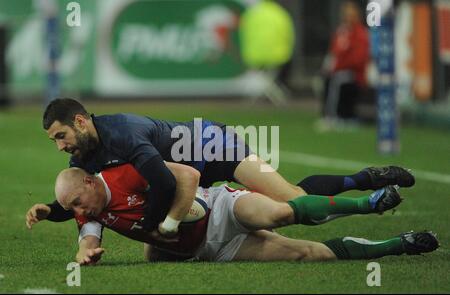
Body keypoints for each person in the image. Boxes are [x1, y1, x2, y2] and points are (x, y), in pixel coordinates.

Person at [27, 98, 415, 235]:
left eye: (62, 136)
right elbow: (86, 196)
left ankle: (368, 179)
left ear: (80, 122)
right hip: (190, 165)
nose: (62, 147)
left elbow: (162, 182)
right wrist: (52, 210)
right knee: (291, 201)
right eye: (55, 142)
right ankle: (367, 181)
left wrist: (154, 224)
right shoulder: (84, 156)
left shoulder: (124, 134)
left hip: (213, 147)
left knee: (295, 202)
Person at [29, 164, 437, 265]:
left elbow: (187, 175)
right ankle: (400, 244)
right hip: (213, 248)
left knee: (282, 210)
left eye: (77, 204)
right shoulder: (88, 209)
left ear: (87, 183)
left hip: (220, 196)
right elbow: (88, 234)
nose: (79, 213)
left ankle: (369, 199)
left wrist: (170, 221)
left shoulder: (126, 169)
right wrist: (85, 251)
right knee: (304, 253)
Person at [319, 0, 370, 129]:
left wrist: (338, 67)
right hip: (340, 70)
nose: (347, 17)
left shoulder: (360, 33)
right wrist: (328, 67)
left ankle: (332, 117)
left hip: (355, 73)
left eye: (350, 14)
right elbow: (333, 52)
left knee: (337, 79)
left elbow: (358, 59)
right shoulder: (341, 32)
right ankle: (329, 114)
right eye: (346, 14)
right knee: (327, 78)